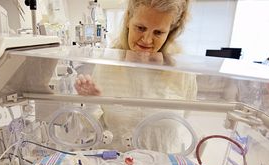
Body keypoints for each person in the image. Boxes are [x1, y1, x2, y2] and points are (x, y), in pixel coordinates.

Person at [74, 0, 197, 153]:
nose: (146, 40)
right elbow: (91, 129)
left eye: (158, 32)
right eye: (140, 28)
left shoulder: (182, 73)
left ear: (170, 31)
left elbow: (183, 121)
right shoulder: (108, 65)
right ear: (128, 20)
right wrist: (92, 102)